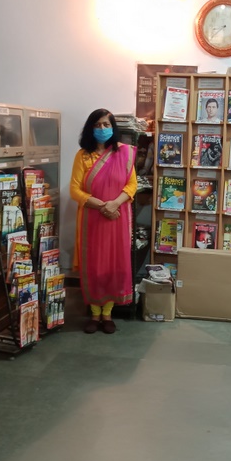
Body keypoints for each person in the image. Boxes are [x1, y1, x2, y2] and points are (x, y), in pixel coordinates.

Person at [70, 109, 137, 334]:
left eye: (106, 125)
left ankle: (107, 314)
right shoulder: (82, 156)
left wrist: (114, 204)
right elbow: (75, 190)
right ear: (90, 128)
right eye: (97, 125)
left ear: (113, 127)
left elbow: (132, 185)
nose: (102, 129)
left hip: (117, 217)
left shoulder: (124, 153)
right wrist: (102, 206)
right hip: (92, 217)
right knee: (94, 265)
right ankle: (94, 313)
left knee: (113, 265)